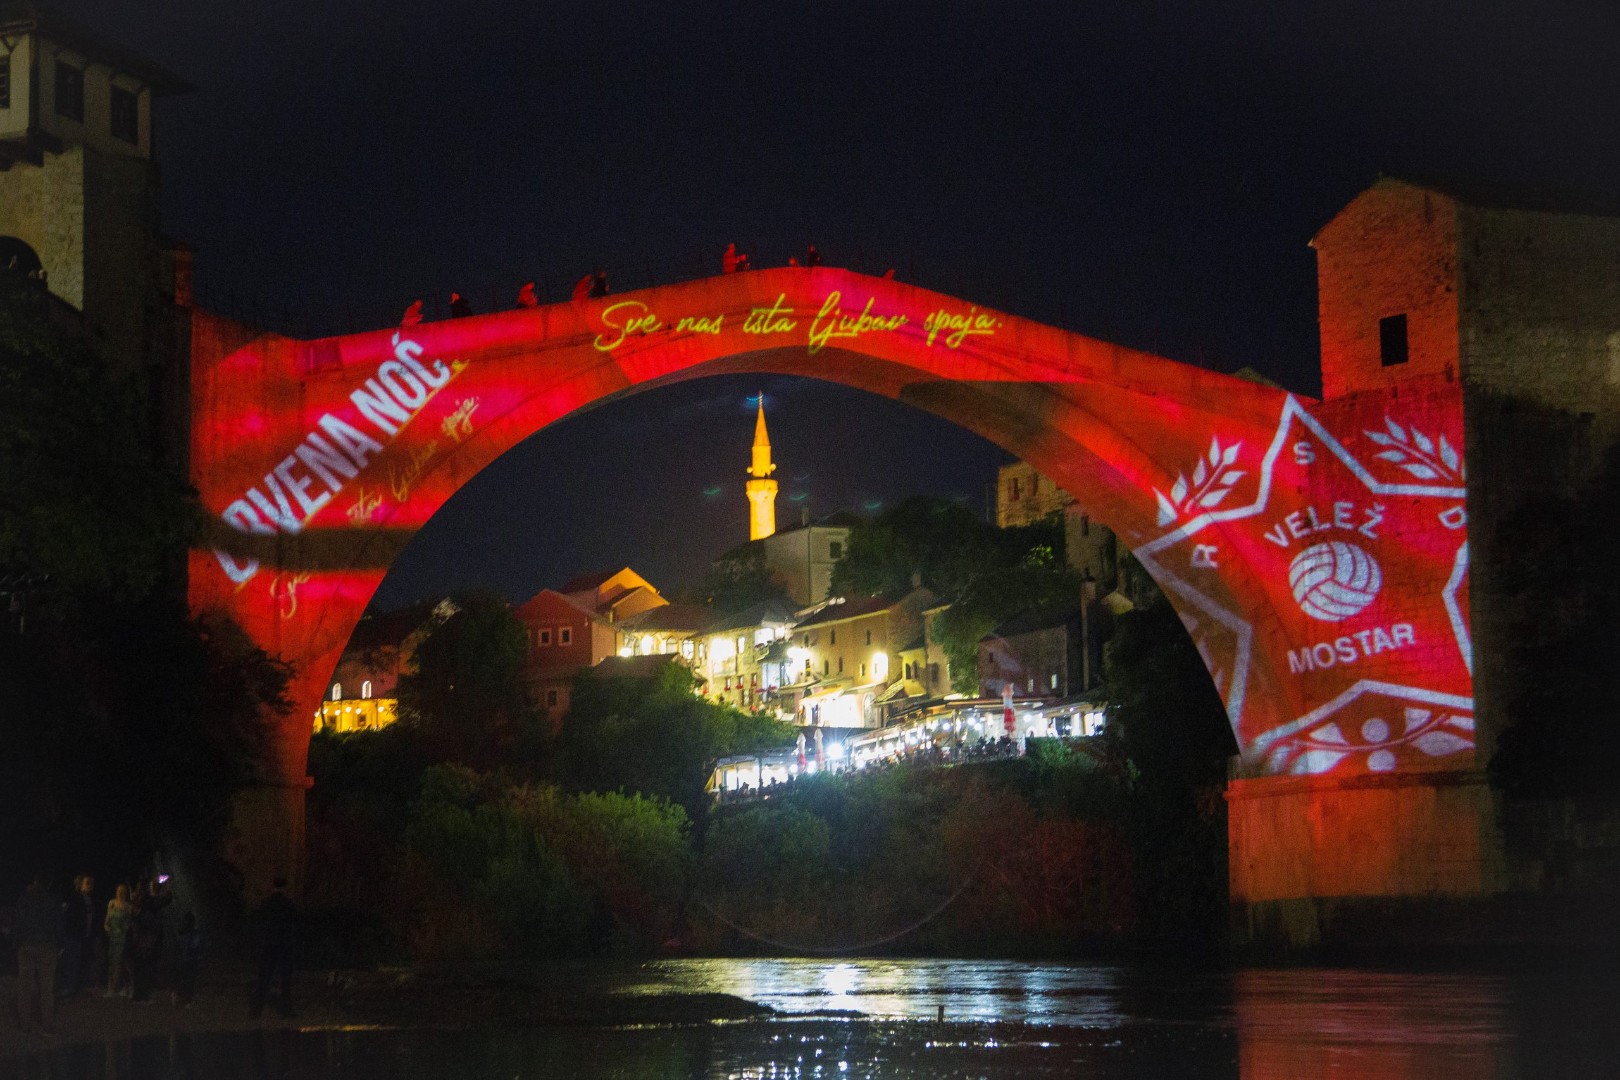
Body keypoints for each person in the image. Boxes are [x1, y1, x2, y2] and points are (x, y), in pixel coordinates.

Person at [11, 872, 64, 1036]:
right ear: (48, 884)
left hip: (26, 945)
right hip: (47, 945)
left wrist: (16, 944)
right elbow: (59, 924)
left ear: (34, 881)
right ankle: (47, 1025)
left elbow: (17, 923)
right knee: (46, 988)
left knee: (25, 987)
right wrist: (60, 945)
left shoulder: (24, 899)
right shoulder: (53, 901)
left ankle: (25, 1025)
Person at [249, 878, 298, 1019]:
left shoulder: (267, 903)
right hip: (284, 945)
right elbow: (295, 922)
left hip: (269, 944)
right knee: (285, 980)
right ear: (285, 888)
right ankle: (285, 1010)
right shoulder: (288, 904)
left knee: (264, 978)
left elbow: (258, 920)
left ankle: (256, 1010)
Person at [59, 874, 96, 998]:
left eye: (91, 883)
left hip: (85, 936)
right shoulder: (75, 898)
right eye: (87, 883)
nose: (90, 886)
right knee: (71, 962)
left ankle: (77, 987)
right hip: (74, 935)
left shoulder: (90, 900)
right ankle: (67, 988)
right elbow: (70, 917)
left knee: (80, 962)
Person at [104, 884, 133, 997]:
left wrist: (122, 929)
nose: (120, 893)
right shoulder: (111, 903)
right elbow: (107, 920)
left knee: (121, 962)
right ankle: (111, 987)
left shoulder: (128, 906)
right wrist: (108, 929)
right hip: (112, 937)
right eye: (118, 891)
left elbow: (129, 923)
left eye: (122, 891)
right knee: (112, 962)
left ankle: (123, 987)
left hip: (123, 938)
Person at [172, 913, 202, 1007]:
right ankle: (184, 999)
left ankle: (185, 999)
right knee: (187, 980)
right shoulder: (189, 933)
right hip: (188, 960)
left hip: (188, 960)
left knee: (188, 980)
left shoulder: (190, 933)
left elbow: (194, 946)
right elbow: (193, 946)